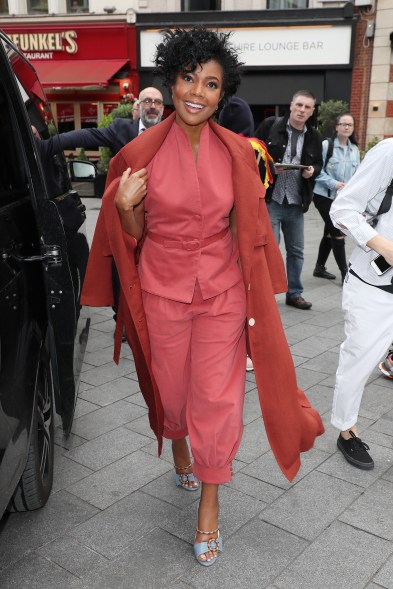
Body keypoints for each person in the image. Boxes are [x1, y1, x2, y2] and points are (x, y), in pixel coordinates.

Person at [81, 26, 324, 566]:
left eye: (211, 84)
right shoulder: (140, 153)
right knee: (172, 395)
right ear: (171, 81)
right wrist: (123, 207)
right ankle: (179, 444)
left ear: (223, 93)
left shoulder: (241, 153)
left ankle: (210, 504)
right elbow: (135, 233)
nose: (197, 91)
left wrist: (262, 294)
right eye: (189, 78)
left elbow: (251, 228)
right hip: (164, 289)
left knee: (218, 398)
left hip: (222, 293)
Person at [330, 138, 393, 470]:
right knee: (358, 361)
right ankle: (347, 431)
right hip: (375, 286)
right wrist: (383, 245)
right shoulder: (389, 152)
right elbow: (342, 208)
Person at [255, 90, 323, 310]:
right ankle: (265, 296)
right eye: (299, 105)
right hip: (272, 199)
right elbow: (252, 153)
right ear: (291, 105)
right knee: (270, 251)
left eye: (307, 107)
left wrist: (312, 171)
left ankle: (294, 293)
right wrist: (270, 167)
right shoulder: (270, 125)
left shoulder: (314, 136)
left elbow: (320, 164)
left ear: (312, 112)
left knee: (297, 251)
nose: (302, 110)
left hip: (296, 202)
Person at [43, 87, 164, 156]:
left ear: (162, 108)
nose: (153, 106)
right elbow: (88, 135)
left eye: (157, 102)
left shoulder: (172, 131)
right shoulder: (120, 129)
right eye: (147, 101)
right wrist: (48, 145)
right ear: (139, 106)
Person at [313, 113, 360, 283]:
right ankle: (345, 274)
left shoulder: (354, 150)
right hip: (324, 196)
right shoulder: (327, 145)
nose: (346, 127)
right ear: (337, 127)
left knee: (329, 232)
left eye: (350, 125)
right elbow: (317, 171)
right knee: (338, 231)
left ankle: (319, 267)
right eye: (343, 124)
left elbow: (357, 175)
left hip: (342, 200)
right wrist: (334, 184)